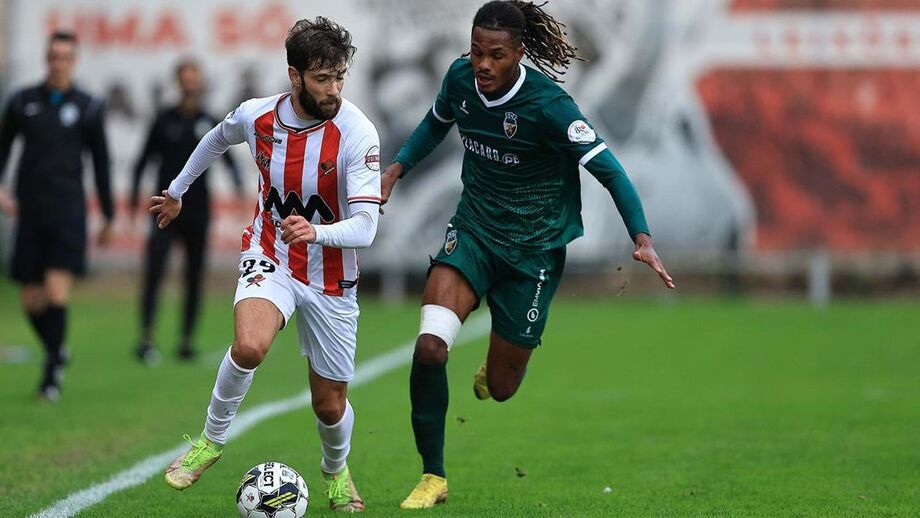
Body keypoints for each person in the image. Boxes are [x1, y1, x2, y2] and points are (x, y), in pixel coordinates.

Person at [380, 1, 676, 509]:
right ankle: (433, 475)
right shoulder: (460, 79)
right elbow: (435, 122)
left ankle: (496, 364)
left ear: (519, 53)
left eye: (495, 55)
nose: (483, 64)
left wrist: (641, 237)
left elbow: (609, 169)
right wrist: (397, 168)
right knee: (429, 348)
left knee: (501, 387)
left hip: (533, 251)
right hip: (473, 233)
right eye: (476, 52)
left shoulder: (549, 106)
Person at [153, 17, 380, 512]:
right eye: (323, 78)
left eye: (340, 77)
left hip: (331, 277)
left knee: (329, 405)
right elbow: (216, 138)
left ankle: (336, 471)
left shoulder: (357, 132)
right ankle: (210, 442)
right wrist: (176, 191)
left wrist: (317, 232)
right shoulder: (257, 116)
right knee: (250, 346)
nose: (334, 89)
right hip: (270, 252)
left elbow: (366, 227)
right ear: (295, 76)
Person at [0, 30, 114, 401]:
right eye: (53, 56)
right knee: (31, 300)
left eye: (65, 57)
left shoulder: (88, 106)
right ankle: (57, 350)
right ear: (46, 59)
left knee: (56, 289)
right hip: (30, 211)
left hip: (68, 210)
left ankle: (51, 376)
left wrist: (109, 215)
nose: (58, 63)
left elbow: (101, 163)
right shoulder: (22, 102)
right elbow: (3, 148)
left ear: (73, 61)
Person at [130, 59, 244, 364]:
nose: (191, 84)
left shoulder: (210, 120)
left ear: (201, 82)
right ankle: (147, 336)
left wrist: (239, 189)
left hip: (197, 210)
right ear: (178, 82)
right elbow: (143, 160)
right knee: (155, 271)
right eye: (185, 78)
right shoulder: (164, 119)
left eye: (195, 78)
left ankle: (187, 339)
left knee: (194, 275)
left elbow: (228, 159)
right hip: (165, 209)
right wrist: (132, 200)